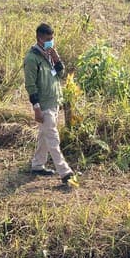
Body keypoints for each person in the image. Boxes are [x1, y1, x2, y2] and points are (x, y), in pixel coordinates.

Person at [23, 23, 76, 186]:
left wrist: (56, 58)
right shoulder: (32, 58)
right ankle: (65, 171)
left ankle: (38, 165)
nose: (51, 42)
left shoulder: (48, 55)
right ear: (39, 38)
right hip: (44, 105)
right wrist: (36, 108)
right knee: (53, 138)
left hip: (54, 102)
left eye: (52, 39)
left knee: (44, 136)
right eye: (48, 39)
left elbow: (60, 74)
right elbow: (30, 85)